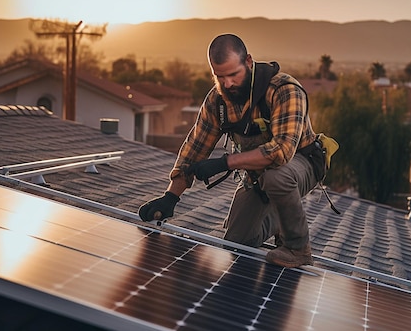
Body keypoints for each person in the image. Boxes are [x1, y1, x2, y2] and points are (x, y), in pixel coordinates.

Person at [138, 33, 328, 268]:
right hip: (257, 175)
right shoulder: (217, 101)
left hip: (300, 165)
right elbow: (195, 148)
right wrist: (170, 197)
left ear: (248, 62)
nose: (227, 83)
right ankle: (279, 220)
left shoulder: (284, 90)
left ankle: (298, 248)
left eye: (233, 75)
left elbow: (282, 151)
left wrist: (224, 163)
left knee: (277, 175)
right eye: (219, 76)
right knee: (237, 243)